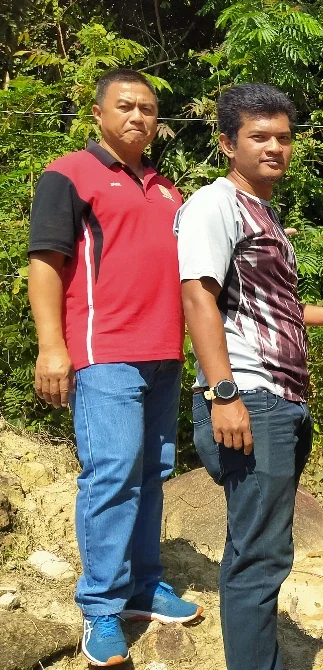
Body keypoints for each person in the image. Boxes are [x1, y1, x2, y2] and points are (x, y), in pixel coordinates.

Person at [174, 83, 323, 670]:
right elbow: (197, 299)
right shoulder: (215, 204)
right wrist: (224, 394)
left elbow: (265, 304)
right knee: (258, 557)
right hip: (250, 397)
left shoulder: (262, 211)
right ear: (226, 143)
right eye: (258, 137)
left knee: (263, 548)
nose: (274, 148)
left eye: (283, 138)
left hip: (279, 399)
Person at [27, 68, 203, 667]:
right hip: (104, 354)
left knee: (153, 470)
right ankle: (99, 606)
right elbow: (46, 262)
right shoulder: (69, 173)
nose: (138, 117)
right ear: (99, 114)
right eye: (125, 106)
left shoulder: (167, 188)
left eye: (149, 109)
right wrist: (53, 348)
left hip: (163, 354)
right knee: (111, 475)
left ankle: (142, 586)